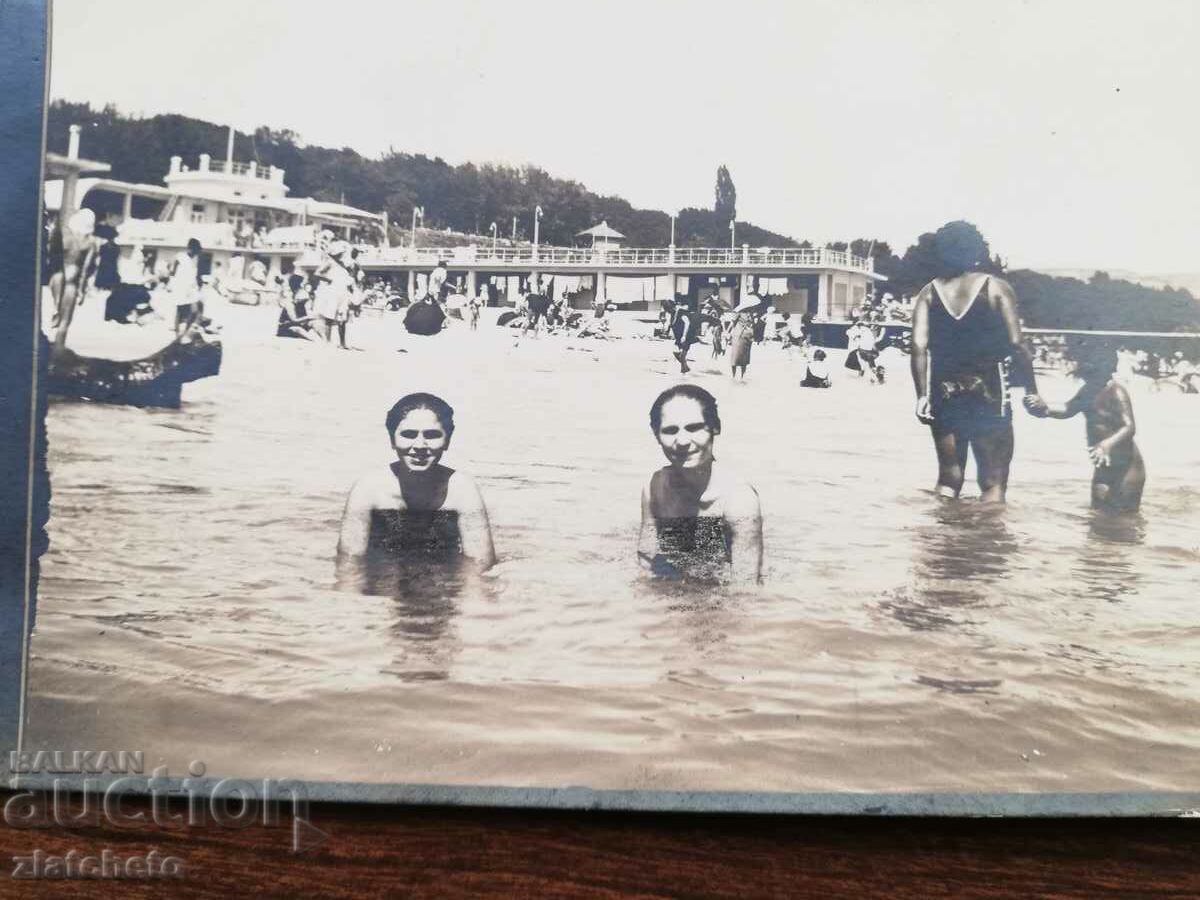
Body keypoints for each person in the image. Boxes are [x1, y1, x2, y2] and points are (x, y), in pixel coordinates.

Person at [909, 225, 1042, 502]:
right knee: (993, 482)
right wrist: (1031, 389)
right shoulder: (995, 287)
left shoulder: (929, 292)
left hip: (942, 388)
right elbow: (1017, 344)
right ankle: (985, 544)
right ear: (977, 250)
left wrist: (922, 396)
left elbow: (918, 346)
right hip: (988, 387)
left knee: (948, 479)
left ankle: (942, 542)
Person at [336, 392, 496, 588]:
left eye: (432, 435)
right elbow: (349, 567)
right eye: (409, 434)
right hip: (382, 588)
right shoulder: (368, 490)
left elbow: (480, 568)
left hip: (443, 587)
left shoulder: (462, 490)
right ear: (392, 439)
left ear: (447, 439)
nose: (420, 445)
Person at [638, 385, 762, 583]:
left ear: (715, 427)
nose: (682, 441)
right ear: (657, 436)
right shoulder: (656, 488)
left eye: (694, 428)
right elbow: (646, 565)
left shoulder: (738, 500)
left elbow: (745, 590)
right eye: (670, 431)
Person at [1025, 342, 1145, 511]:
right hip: (1103, 463)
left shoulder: (1116, 391)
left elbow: (1130, 427)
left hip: (1128, 467)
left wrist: (1106, 444)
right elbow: (1068, 409)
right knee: (1098, 513)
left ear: (1107, 366)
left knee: (1124, 517)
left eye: (1092, 366)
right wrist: (1045, 408)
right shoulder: (1088, 390)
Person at [312, 241, 354, 347]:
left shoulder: (343, 264)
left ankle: (342, 343)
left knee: (342, 318)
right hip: (333, 292)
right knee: (329, 317)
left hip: (343, 292)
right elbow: (317, 273)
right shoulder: (329, 262)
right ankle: (327, 341)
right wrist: (328, 279)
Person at [168, 237, 204, 335]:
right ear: (191, 248)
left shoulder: (193, 261)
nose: (196, 253)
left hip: (191, 288)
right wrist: (173, 281)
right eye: (196, 250)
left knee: (196, 309)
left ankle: (185, 332)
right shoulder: (180, 256)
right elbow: (172, 272)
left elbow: (193, 276)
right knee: (180, 310)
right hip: (181, 287)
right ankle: (177, 334)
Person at [728, 309, 756, 380]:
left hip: (747, 336)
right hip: (738, 335)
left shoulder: (750, 313)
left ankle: (742, 376)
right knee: (735, 356)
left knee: (745, 357)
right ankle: (733, 376)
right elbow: (732, 323)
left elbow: (752, 324)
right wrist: (727, 331)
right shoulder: (738, 312)